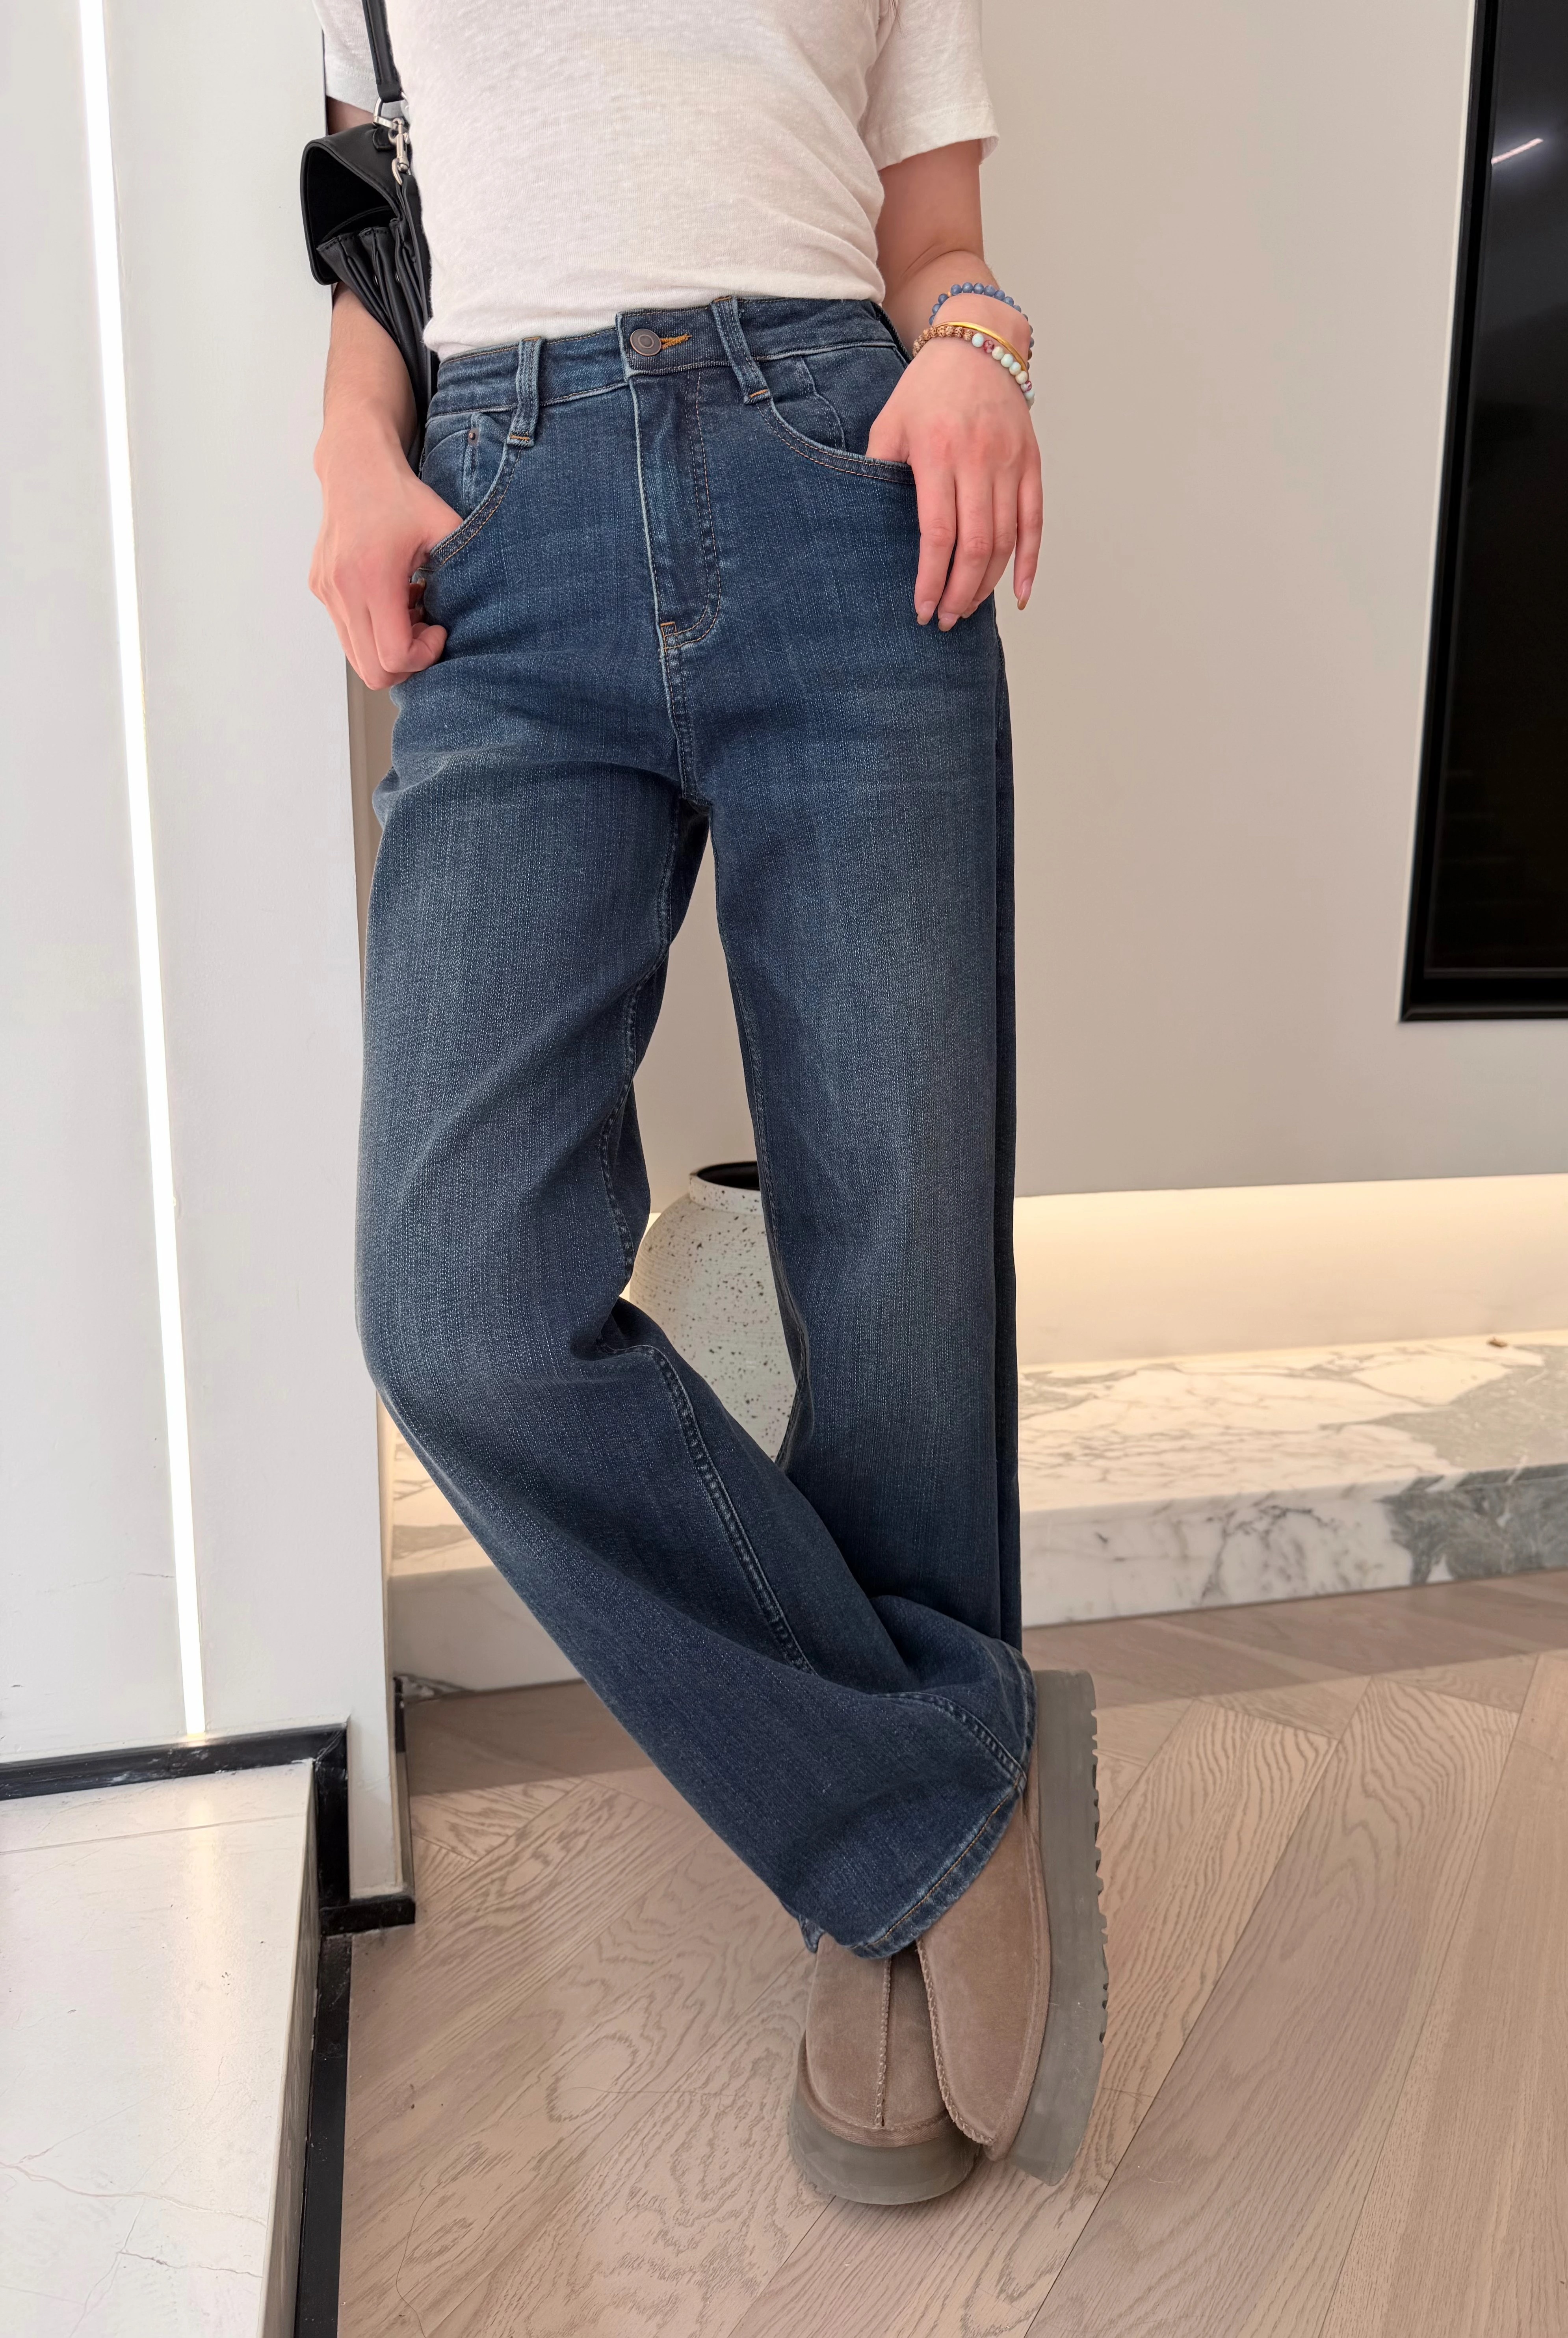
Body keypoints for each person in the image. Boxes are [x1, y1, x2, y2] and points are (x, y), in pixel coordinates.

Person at [307, 0, 1104, 2204]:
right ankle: (928, 1809)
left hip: (841, 478)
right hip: (504, 523)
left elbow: (935, 235)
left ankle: (881, 1917)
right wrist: (354, 454)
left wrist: (983, 350)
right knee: (457, 1300)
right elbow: (375, 230)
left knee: (897, 1246)